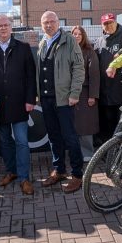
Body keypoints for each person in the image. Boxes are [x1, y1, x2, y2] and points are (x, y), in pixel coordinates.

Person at [0, 15, 37, 195]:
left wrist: (30, 99)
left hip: (19, 103)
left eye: (5, 25)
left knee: (21, 141)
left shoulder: (23, 48)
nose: (3, 28)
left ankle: (24, 178)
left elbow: (30, 76)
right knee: (4, 141)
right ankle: (11, 172)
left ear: (11, 28)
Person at [37, 11, 85, 193]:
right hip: (47, 99)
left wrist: (74, 93)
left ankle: (77, 174)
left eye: (51, 21)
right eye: (45, 22)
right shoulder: (42, 42)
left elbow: (79, 67)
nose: (48, 25)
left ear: (58, 22)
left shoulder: (69, 40)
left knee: (70, 137)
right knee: (53, 136)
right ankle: (59, 170)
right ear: (41, 25)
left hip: (64, 99)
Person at [93, 13, 122, 143]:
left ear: (116, 22)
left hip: (121, 90)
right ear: (102, 25)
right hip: (104, 91)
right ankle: (110, 150)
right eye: (105, 24)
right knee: (107, 121)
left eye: (111, 22)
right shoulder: (99, 41)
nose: (108, 26)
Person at [70, 25, 99, 161]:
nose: (76, 36)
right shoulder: (68, 50)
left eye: (79, 34)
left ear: (83, 36)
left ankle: (87, 154)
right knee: (73, 125)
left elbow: (94, 75)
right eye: (74, 34)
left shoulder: (89, 51)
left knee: (85, 126)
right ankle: (75, 154)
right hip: (70, 93)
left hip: (85, 93)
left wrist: (92, 95)